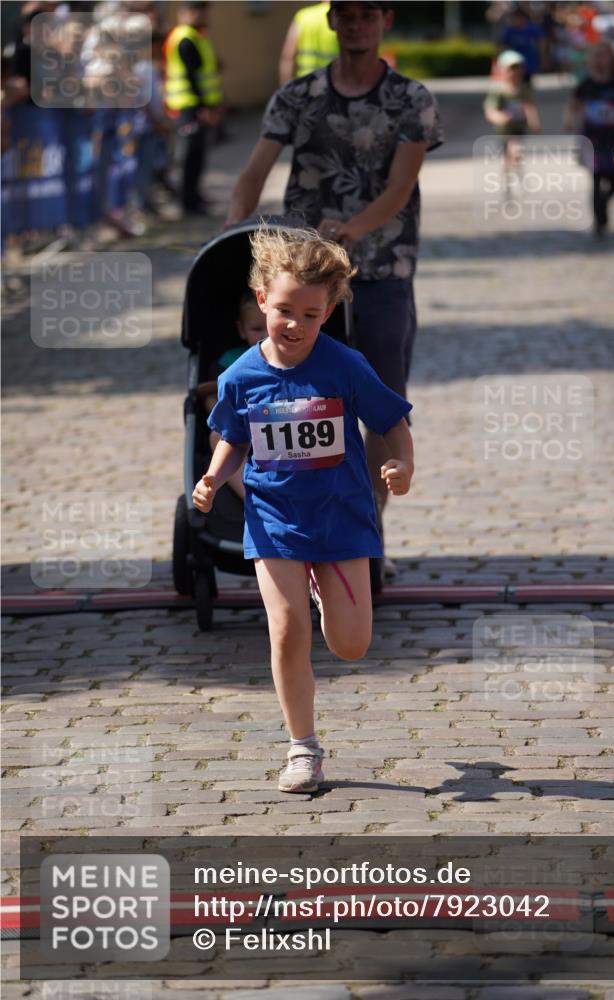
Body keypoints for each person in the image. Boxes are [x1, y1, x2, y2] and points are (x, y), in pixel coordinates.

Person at [192, 226, 414, 793]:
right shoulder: (241, 376)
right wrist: (214, 478)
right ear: (261, 299)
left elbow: (391, 421)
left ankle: (325, 591)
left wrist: (402, 466)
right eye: (285, 310)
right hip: (273, 520)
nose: (295, 325)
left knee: (351, 645)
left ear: (329, 311)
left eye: (311, 315)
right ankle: (303, 749)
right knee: (286, 630)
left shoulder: (347, 366)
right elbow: (233, 437)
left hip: (340, 519)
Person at [225, 0, 441, 575]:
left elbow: (401, 186)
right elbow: (255, 168)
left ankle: (366, 531)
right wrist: (231, 227)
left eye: (369, 14)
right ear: (333, 21)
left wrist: (353, 229)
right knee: (296, 400)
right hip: (302, 275)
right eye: (347, 14)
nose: (357, 24)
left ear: (386, 21)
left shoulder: (411, 100)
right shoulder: (297, 96)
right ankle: (294, 527)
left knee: (382, 404)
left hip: (383, 269)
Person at [564, 39, 614, 237]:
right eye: (596, 55)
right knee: (596, 178)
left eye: (603, 56)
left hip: (613, 137)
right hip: (591, 138)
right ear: (590, 60)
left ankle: (604, 203)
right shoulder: (585, 84)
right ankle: (599, 221)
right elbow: (573, 105)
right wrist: (570, 121)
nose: (600, 60)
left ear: (611, 59)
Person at [196, 289, 267, 497]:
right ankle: (252, 497)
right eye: (256, 329)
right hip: (241, 419)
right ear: (242, 329)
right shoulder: (231, 361)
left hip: (277, 418)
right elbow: (210, 391)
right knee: (217, 435)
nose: (265, 336)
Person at [164, 0, 223, 214]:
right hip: (188, 106)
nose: (204, 15)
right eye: (199, 11)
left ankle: (194, 196)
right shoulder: (185, 38)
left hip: (196, 105)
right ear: (187, 12)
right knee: (189, 155)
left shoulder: (196, 36)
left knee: (198, 154)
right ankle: (188, 202)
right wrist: (204, 107)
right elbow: (192, 76)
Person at [484, 50, 540, 179]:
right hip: (504, 129)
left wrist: (534, 122)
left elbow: (530, 105)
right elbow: (490, 110)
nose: (514, 72)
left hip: (519, 126)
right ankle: (508, 173)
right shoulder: (498, 90)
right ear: (502, 70)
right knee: (506, 153)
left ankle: (517, 171)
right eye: (511, 69)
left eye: (517, 68)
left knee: (516, 148)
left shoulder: (524, 89)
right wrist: (499, 117)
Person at [278, 1, 339, 84]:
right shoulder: (339, 17)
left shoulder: (303, 16)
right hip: (332, 82)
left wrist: (285, 87)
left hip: (305, 81)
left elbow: (288, 55)